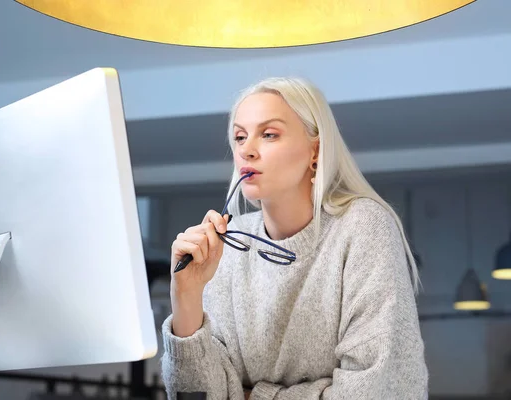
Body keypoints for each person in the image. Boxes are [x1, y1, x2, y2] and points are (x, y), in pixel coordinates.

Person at [160, 77, 428, 399]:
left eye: (269, 134)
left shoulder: (363, 228)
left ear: (315, 150)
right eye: (240, 137)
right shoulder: (227, 246)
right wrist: (186, 295)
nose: (247, 150)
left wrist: (251, 395)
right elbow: (197, 397)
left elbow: (374, 391)